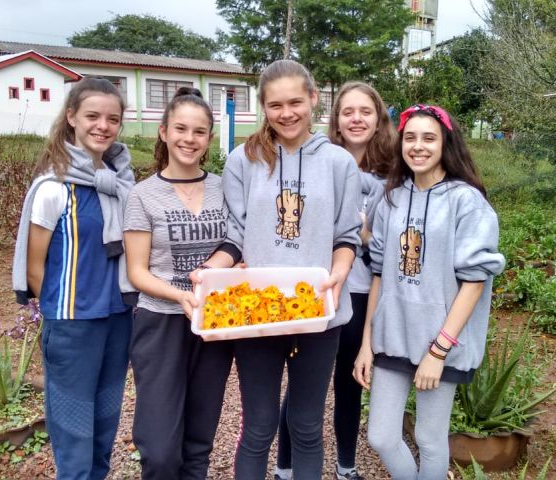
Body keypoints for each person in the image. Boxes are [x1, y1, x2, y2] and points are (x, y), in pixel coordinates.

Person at [193, 59, 362, 480]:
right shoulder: (243, 160)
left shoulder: (340, 163)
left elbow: (347, 236)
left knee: (306, 427)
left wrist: (339, 272)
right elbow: (234, 236)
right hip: (257, 316)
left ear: (313, 99)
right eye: (275, 105)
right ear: (263, 107)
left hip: (319, 314)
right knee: (259, 426)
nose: (286, 113)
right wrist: (209, 271)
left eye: (294, 102)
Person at [353, 104, 505, 479]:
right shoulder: (390, 199)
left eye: (428, 138)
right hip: (394, 336)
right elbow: (379, 275)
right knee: (382, 436)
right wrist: (366, 343)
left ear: (445, 144)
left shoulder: (465, 202)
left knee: (430, 438)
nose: (417, 146)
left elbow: (475, 281)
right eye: (410, 138)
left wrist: (439, 350)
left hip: (441, 343)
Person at [12, 77, 136, 479]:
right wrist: (66, 308)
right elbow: (35, 269)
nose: (103, 126)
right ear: (71, 117)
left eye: (112, 119)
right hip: (72, 324)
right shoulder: (53, 187)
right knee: (73, 427)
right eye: (93, 116)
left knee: (105, 421)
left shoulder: (121, 184)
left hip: (118, 318)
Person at [275, 81, 396, 480]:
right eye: (348, 112)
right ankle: (285, 466)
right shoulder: (318, 163)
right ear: (336, 121)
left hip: (361, 292)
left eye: (365, 111)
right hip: (317, 289)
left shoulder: (393, 176)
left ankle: (346, 466)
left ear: (379, 119)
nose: (357, 119)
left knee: (350, 382)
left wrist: (362, 236)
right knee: (302, 385)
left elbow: (395, 241)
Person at [123, 87, 234, 480]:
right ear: (164, 131)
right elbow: (137, 272)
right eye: (181, 129)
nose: (190, 139)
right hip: (162, 322)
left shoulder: (226, 187)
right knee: (159, 446)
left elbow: (239, 244)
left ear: (209, 138)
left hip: (216, 323)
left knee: (200, 440)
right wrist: (182, 296)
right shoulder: (142, 195)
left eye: (199, 131)